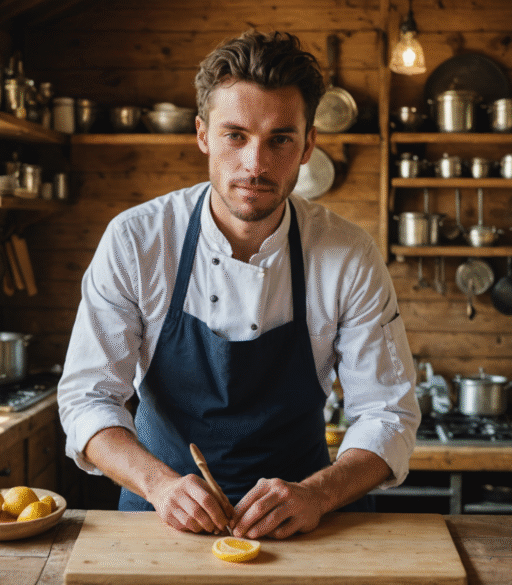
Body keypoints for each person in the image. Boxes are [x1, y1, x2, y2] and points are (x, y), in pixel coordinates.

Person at [57, 30, 418, 541]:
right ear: (203, 134)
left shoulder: (347, 254)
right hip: (158, 521)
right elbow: (86, 399)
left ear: (309, 143)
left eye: (280, 139)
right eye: (236, 135)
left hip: (306, 526)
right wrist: (159, 484)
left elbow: (388, 412)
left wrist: (319, 493)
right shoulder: (137, 240)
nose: (256, 164)